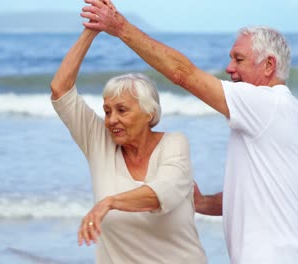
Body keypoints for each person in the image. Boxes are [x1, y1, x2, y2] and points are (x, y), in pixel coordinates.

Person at [81, 1, 298, 263]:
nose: (229, 68)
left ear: (268, 66)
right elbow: (257, 199)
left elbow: (183, 74)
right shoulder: (284, 114)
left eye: (238, 59)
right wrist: (204, 202)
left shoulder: (265, 103)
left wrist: (120, 27)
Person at [49, 26, 207, 263]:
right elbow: (60, 90)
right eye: (107, 111)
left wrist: (109, 203)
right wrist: (90, 31)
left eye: (122, 110)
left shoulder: (174, 144)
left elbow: (161, 193)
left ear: (149, 113)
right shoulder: (99, 141)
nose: (112, 120)